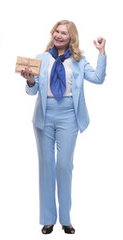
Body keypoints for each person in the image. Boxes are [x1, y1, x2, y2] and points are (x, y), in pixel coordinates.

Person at [19, 20, 106, 235]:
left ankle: (66, 219)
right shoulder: (41, 58)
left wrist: (102, 52)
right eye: (57, 31)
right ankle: (48, 219)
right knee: (46, 165)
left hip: (69, 115)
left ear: (71, 38)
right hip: (44, 115)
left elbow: (98, 78)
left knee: (64, 167)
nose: (59, 35)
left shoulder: (79, 60)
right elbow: (32, 92)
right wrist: (30, 81)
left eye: (64, 33)